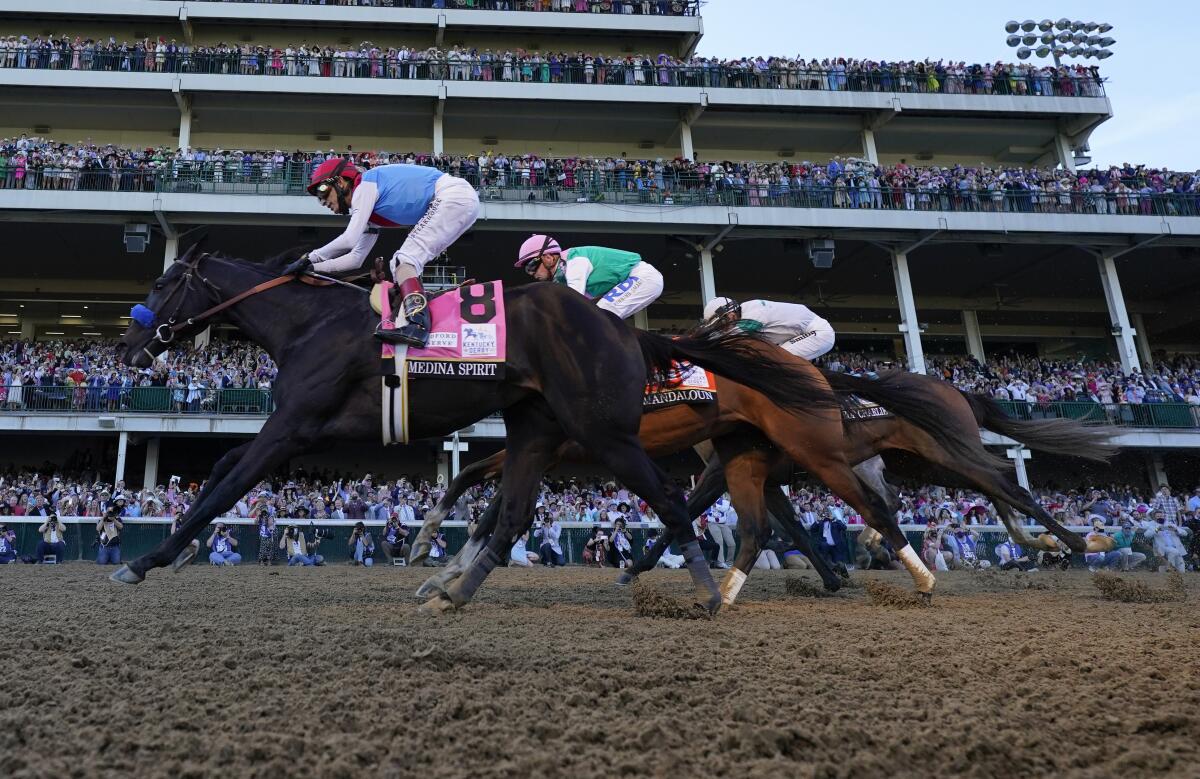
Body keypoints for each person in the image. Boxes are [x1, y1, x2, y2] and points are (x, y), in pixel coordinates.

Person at [286, 158, 481, 347]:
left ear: (340, 182)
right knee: (404, 264)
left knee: (403, 260)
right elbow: (355, 259)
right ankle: (419, 314)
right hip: (459, 199)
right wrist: (312, 268)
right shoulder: (369, 211)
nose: (324, 202)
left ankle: (418, 325)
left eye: (324, 192)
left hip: (452, 196)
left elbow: (349, 239)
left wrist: (309, 257)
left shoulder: (364, 187)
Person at [513, 235, 664, 321]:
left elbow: (573, 302)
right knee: (594, 315)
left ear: (548, 257)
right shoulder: (562, 275)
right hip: (637, 279)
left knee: (598, 316)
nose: (532, 274)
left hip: (643, 276)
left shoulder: (574, 262)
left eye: (531, 266)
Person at [701, 296, 835, 361]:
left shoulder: (754, 312)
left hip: (818, 332)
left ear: (730, 315)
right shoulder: (745, 312)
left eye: (720, 324)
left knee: (776, 359)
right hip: (802, 333)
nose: (721, 328)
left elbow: (734, 338)